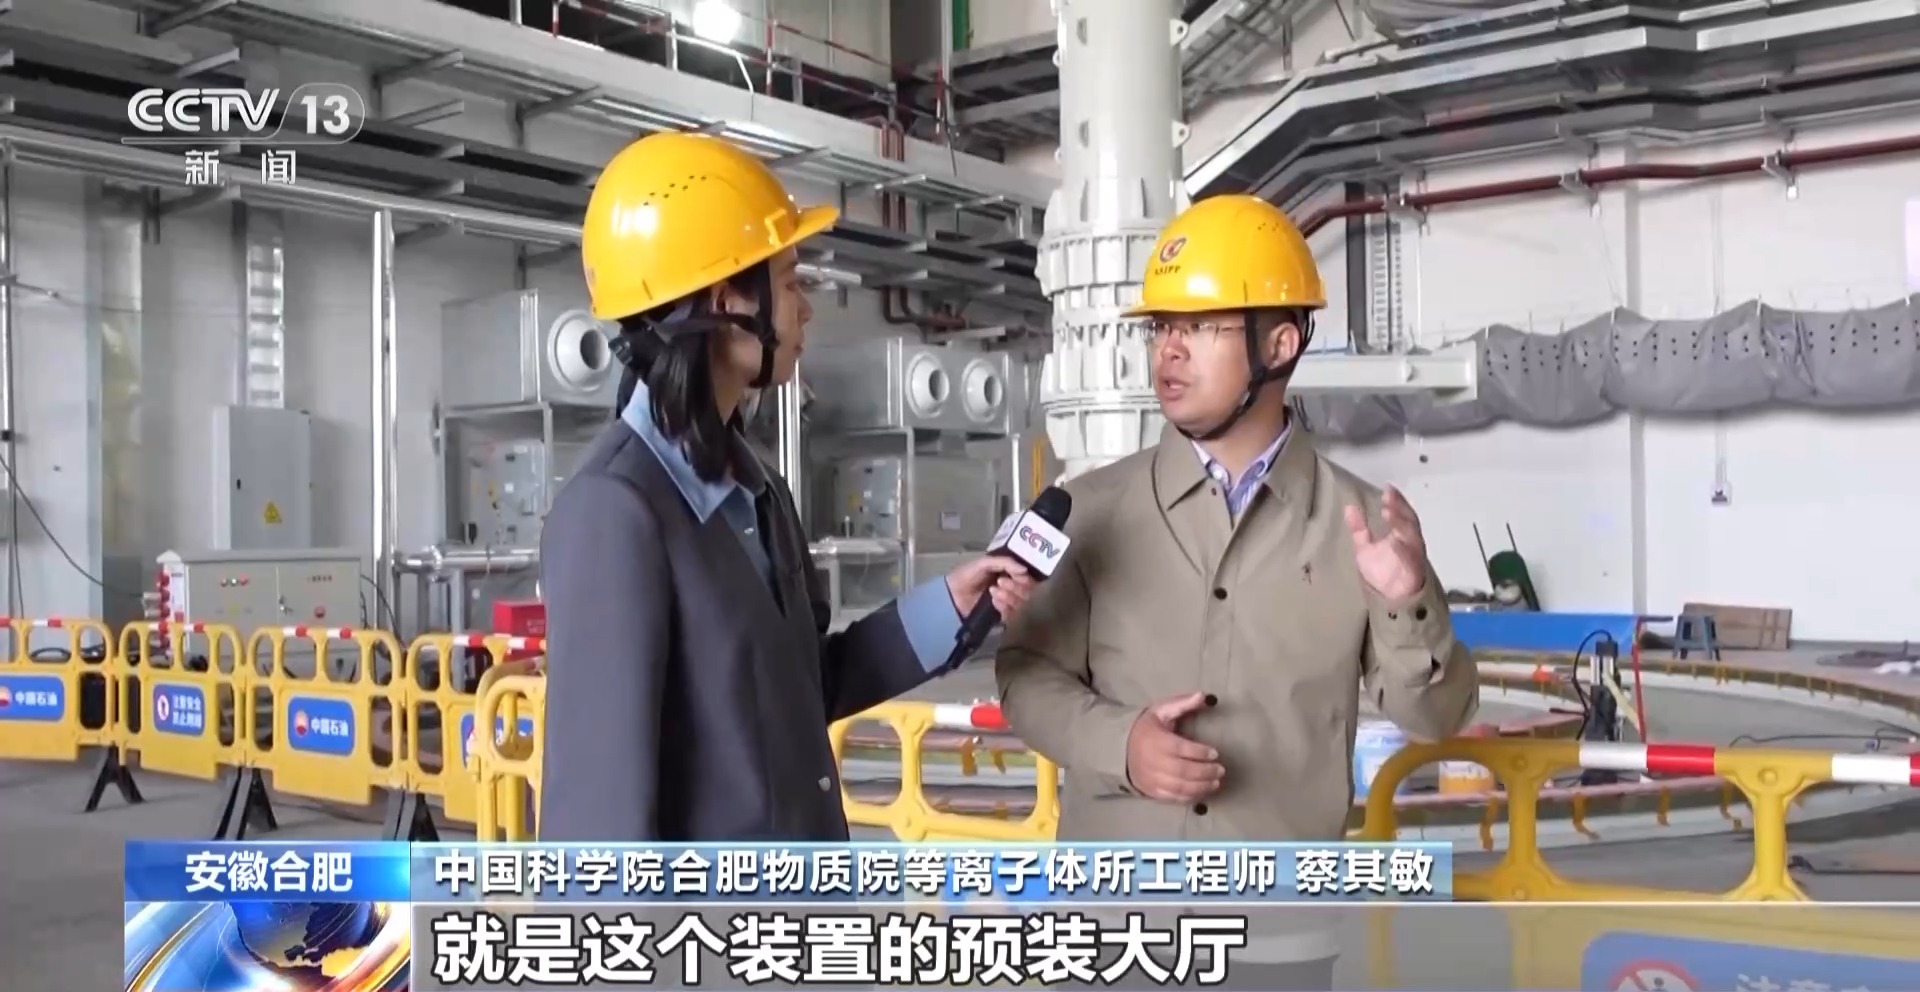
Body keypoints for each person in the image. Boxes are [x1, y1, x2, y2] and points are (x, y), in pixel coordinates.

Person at [995, 194, 1480, 989]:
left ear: (1279, 344)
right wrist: (1122, 745)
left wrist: (1408, 602)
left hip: (1277, 938)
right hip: (1114, 931)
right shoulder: (1089, 511)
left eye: (1200, 325)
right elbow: (1024, 677)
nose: (1169, 350)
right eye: (1162, 326)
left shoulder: (1362, 524)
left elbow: (1437, 716)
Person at [538, 132, 1036, 842]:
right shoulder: (615, 510)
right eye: (792, 281)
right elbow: (597, 823)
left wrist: (949, 606)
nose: (805, 310)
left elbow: (799, 687)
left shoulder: (757, 489)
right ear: (726, 301)